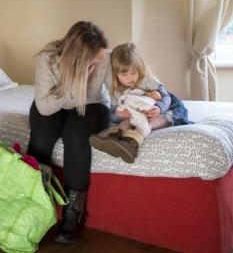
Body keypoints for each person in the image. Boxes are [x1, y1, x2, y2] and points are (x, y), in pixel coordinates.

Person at [27, 21, 111, 245]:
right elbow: (44, 107)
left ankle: (73, 212)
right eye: (96, 57)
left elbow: (98, 94)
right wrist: (75, 80)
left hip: (92, 105)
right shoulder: (46, 59)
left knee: (75, 134)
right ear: (79, 56)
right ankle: (33, 204)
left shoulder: (104, 58)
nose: (102, 59)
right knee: (42, 135)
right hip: (57, 102)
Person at [89, 42, 190, 164]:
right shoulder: (117, 92)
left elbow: (165, 96)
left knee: (147, 122)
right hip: (139, 113)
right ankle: (114, 139)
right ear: (116, 74)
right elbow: (113, 114)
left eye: (133, 73)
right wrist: (121, 115)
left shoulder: (146, 80)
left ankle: (132, 144)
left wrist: (159, 108)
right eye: (124, 74)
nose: (129, 78)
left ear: (140, 69)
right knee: (127, 121)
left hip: (164, 111)